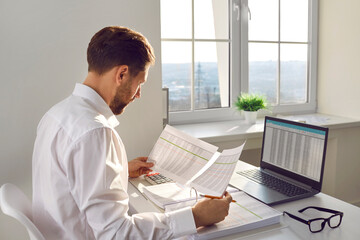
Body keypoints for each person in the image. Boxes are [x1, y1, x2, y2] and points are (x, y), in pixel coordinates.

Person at [32, 26, 232, 239]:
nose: (138, 94)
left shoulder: (56, 114)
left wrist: (120, 171)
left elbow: (69, 179)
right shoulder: (95, 132)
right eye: (139, 83)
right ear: (122, 73)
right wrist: (195, 217)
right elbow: (117, 233)